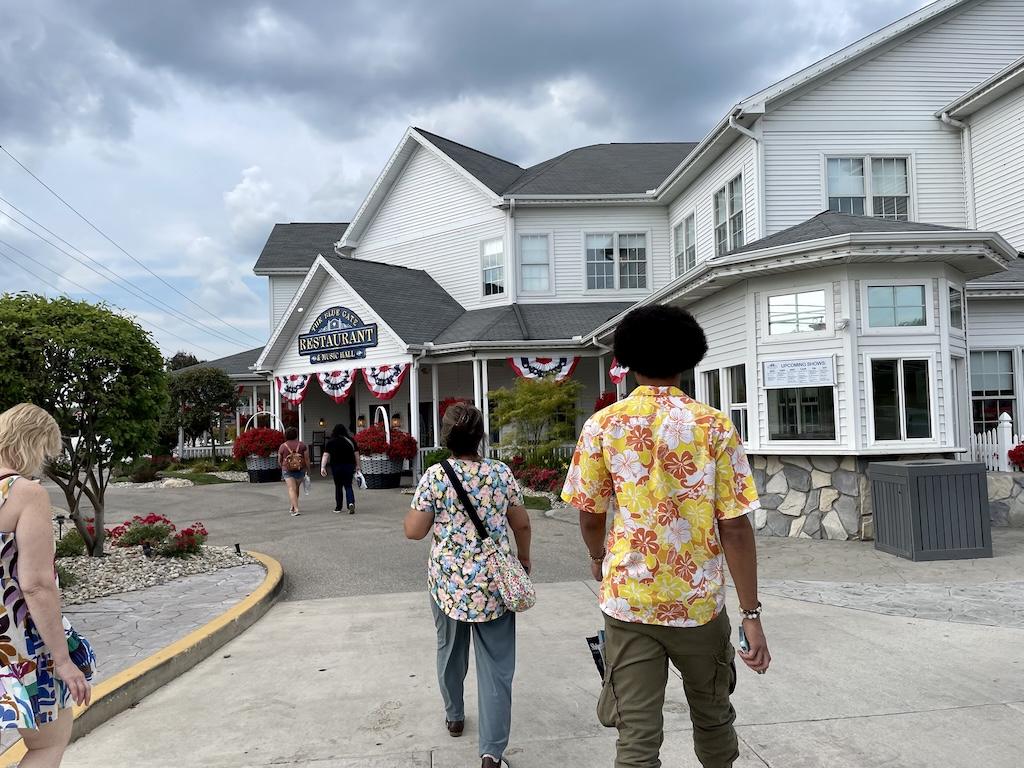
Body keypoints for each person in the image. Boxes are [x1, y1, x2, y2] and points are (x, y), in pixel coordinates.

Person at [562, 305, 770, 768]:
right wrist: (750, 614)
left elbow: (591, 513)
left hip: (630, 600)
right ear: (689, 357)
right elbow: (735, 527)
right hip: (698, 604)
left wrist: (597, 557)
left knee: (636, 736)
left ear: (627, 359)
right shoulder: (714, 426)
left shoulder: (603, 426)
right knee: (714, 716)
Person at [404, 403, 532, 768]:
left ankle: (455, 715)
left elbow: (414, 531)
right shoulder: (500, 474)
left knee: (449, 650)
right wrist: (523, 561)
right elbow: (521, 524)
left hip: (448, 587)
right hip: (494, 586)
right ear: (480, 436)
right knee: (496, 667)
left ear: (445, 436)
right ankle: (491, 752)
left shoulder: (435, 476)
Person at [0, 403, 93, 768]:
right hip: (14, 641)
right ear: (32, 444)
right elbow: (36, 585)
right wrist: (63, 661)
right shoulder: (24, 493)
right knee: (47, 743)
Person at [320, 423, 361, 514]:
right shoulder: (351, 441)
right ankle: (350, 503)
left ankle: (338, 507)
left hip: (336, 466)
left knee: (338, 486)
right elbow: (356, 454)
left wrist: (323, 467)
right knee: (348, 485)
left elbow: (326, 455)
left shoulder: (331, 441)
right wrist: (358, 466)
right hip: (349, 466)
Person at [278, 427, 308, 517]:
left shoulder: (283, 446)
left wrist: (282, 466)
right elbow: (306, 458)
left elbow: (279, 459)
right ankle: (293, 506)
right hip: (300, 469)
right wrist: (308, 469)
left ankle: (296, 509)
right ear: (296, 435)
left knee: (291, 489)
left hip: (287, 470)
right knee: (296, 488)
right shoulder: (302, 445)